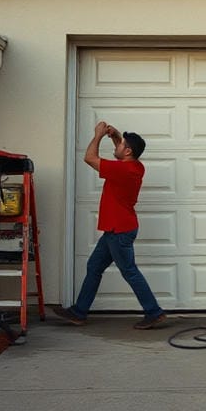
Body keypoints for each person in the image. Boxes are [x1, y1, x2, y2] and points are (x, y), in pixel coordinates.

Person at [54, 121, 166, 329]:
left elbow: (89, 158)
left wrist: (97, 135)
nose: (117, 146)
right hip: (116, 229)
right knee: (94, 267)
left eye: (121, 144)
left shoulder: (121, 170)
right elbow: (120, 154)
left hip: (119, 231)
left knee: (129, 271)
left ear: (128, 151)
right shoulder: (135, 166)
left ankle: (154, 312)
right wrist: (115, 135)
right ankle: (79, 312)